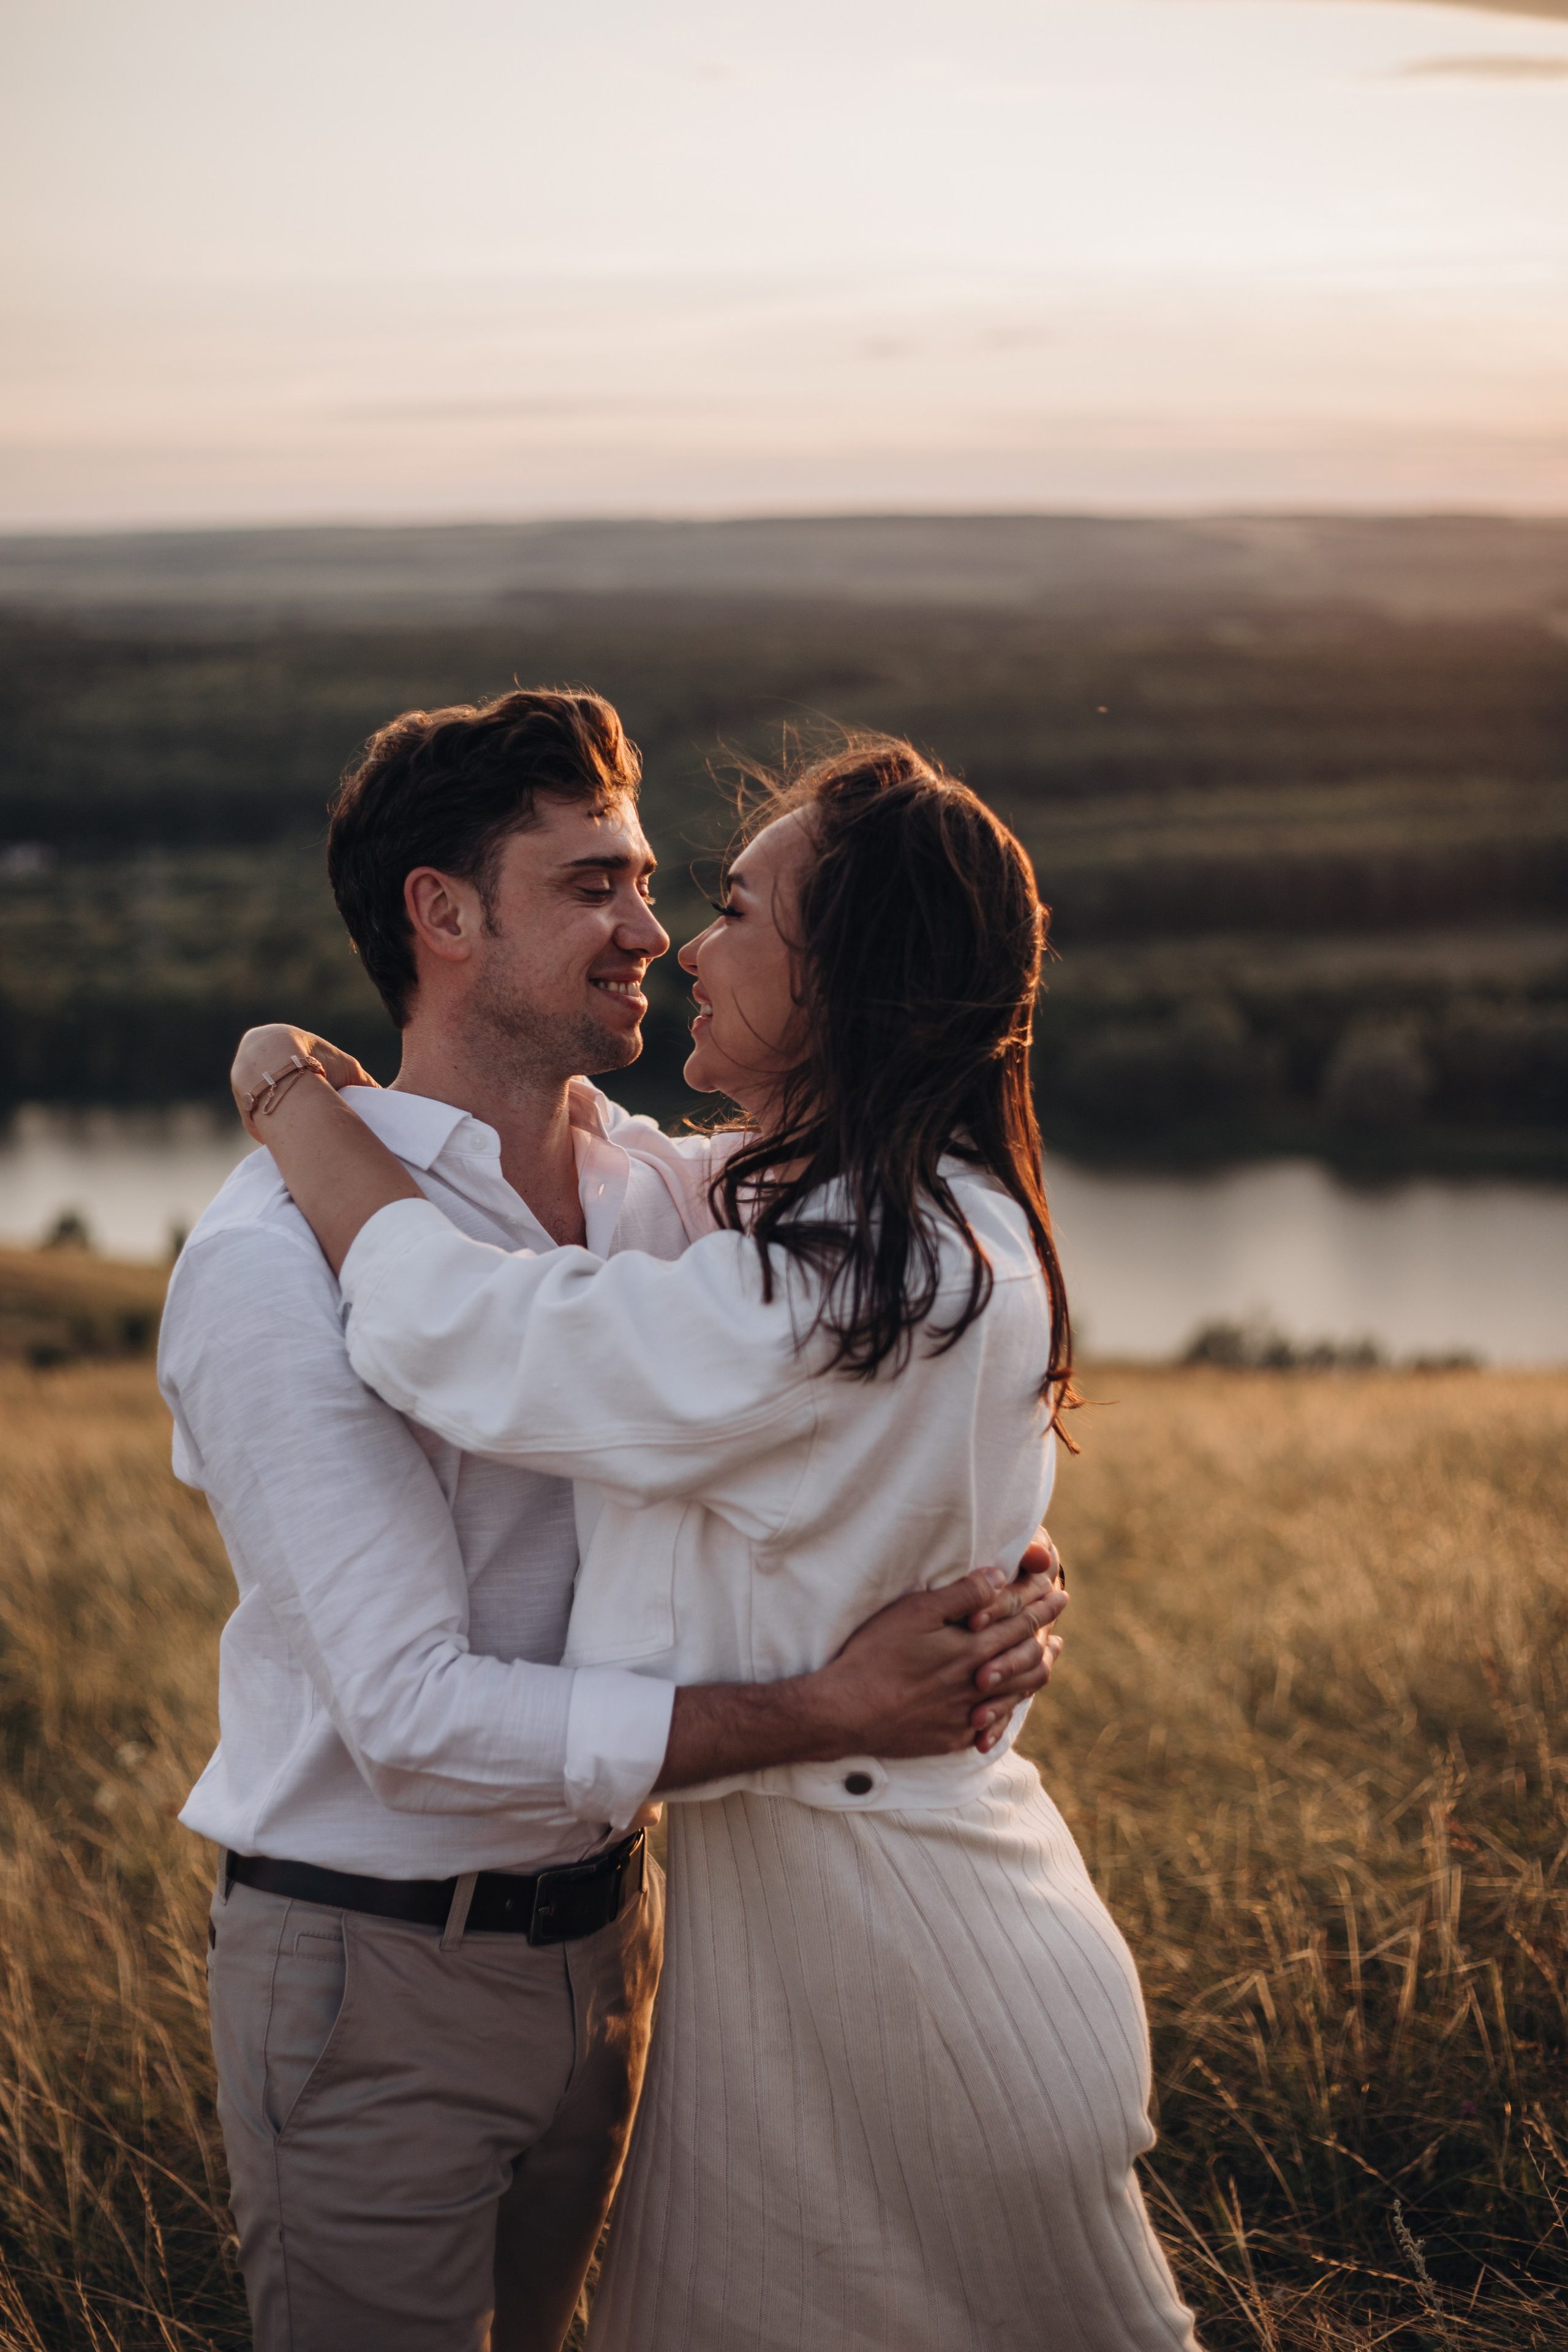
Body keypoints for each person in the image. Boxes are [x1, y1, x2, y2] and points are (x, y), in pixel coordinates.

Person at [232, 736, 1202, 2352]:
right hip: (865, 1952)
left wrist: (287, 1093)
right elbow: (627, 1204)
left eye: (736, 909)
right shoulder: (902, 1227)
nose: (686, 940)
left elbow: (471, 1334)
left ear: (850, 979)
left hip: (886, 1985)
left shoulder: (843, 1272)